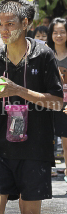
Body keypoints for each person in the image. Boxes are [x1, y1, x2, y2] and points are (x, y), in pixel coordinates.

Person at [0, 0, 63, 213]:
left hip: (36, 149)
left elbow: (58, 103)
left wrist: (17, 91)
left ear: (25, 23)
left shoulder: (44, 55)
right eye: (0, 24)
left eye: (10, 24)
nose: (3, 30)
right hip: (1, 148)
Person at [47, 17, 67, 181]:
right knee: (45, 140)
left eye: (62, 32)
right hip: (46, 103)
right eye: (55, 32)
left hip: (66, 104)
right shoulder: (46, 53)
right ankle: (43, 175)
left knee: (66, 143)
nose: (59, 35)